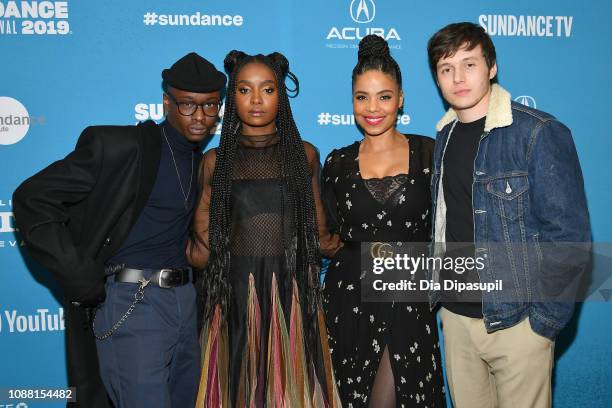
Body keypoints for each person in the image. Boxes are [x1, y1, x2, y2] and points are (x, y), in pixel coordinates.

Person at [12, 52, 226, 408]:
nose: (200, 117)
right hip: (134, 301)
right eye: (188, 105)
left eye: (210, 107)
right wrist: (79, 272)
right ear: (166, 102)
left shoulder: (202, 161)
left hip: (187, 303)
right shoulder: (120, 146)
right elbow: (32, 197)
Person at [427, 22, 591, 408]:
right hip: (455, 319)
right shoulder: (443, 137)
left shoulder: (538, 133)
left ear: (492, 67)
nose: (458, 77)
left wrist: (543, 324)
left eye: (469, 64)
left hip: (517, 321)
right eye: (446, 68)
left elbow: (568, 235)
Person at [187, 50, 341, 407]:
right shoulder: (215, 160)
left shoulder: (305, 155)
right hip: (233, 297)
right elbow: (202, 243)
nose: (256, 100)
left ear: (281, 95)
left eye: (267, 89)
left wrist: (367, 254)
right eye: (243, 90)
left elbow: (319, 232)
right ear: (232, 95)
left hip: (292, 297)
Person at [320, 35, 446, 407]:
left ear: (401, 98)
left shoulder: (430, 152)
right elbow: (326, 235)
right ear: (352, 100)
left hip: (409, 301)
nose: (372, 107)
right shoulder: (336, 162)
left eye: (384, 96)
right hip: (349, 302)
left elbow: (448, 227)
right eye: (362, 97)